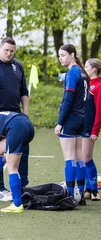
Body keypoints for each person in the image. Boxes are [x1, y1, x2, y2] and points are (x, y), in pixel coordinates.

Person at [55, 44, 88, 204]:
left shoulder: (72, 72)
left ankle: (69, 195)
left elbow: (68, 100)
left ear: (72, 54)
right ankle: (80, 195)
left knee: (70, 158)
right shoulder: (84, 73)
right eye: (59, 55)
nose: (60, 58)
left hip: (71, 118)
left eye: (63, 55)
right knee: (79, 157)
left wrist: (60, 123)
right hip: (82, 118)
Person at [0, 37, 30, 202]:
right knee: (2, 152)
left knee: (22, 150)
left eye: (12, 51)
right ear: (0, 48)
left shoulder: (17, 66)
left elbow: (24, 92)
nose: (9, 53)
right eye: (6, 50)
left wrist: (25, 114)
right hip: (0, 116)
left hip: (16, 115)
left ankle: (22, 187)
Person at [82, 58, 101, 201]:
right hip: (80, 126)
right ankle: (87, 189)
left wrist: (95, 130)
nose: (84, 69)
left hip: (89, 127)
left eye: (86, 66)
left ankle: (95, 190)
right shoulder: (86, 84)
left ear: (94, 69)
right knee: (82, 158)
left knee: (87, 158)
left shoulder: (99, 87)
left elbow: (99, 111)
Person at [0, 111, 34, 213]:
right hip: (27, 123)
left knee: (12, 167)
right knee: (11, 161)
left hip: (16, 126)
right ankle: (19, 196)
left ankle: (17, 204)